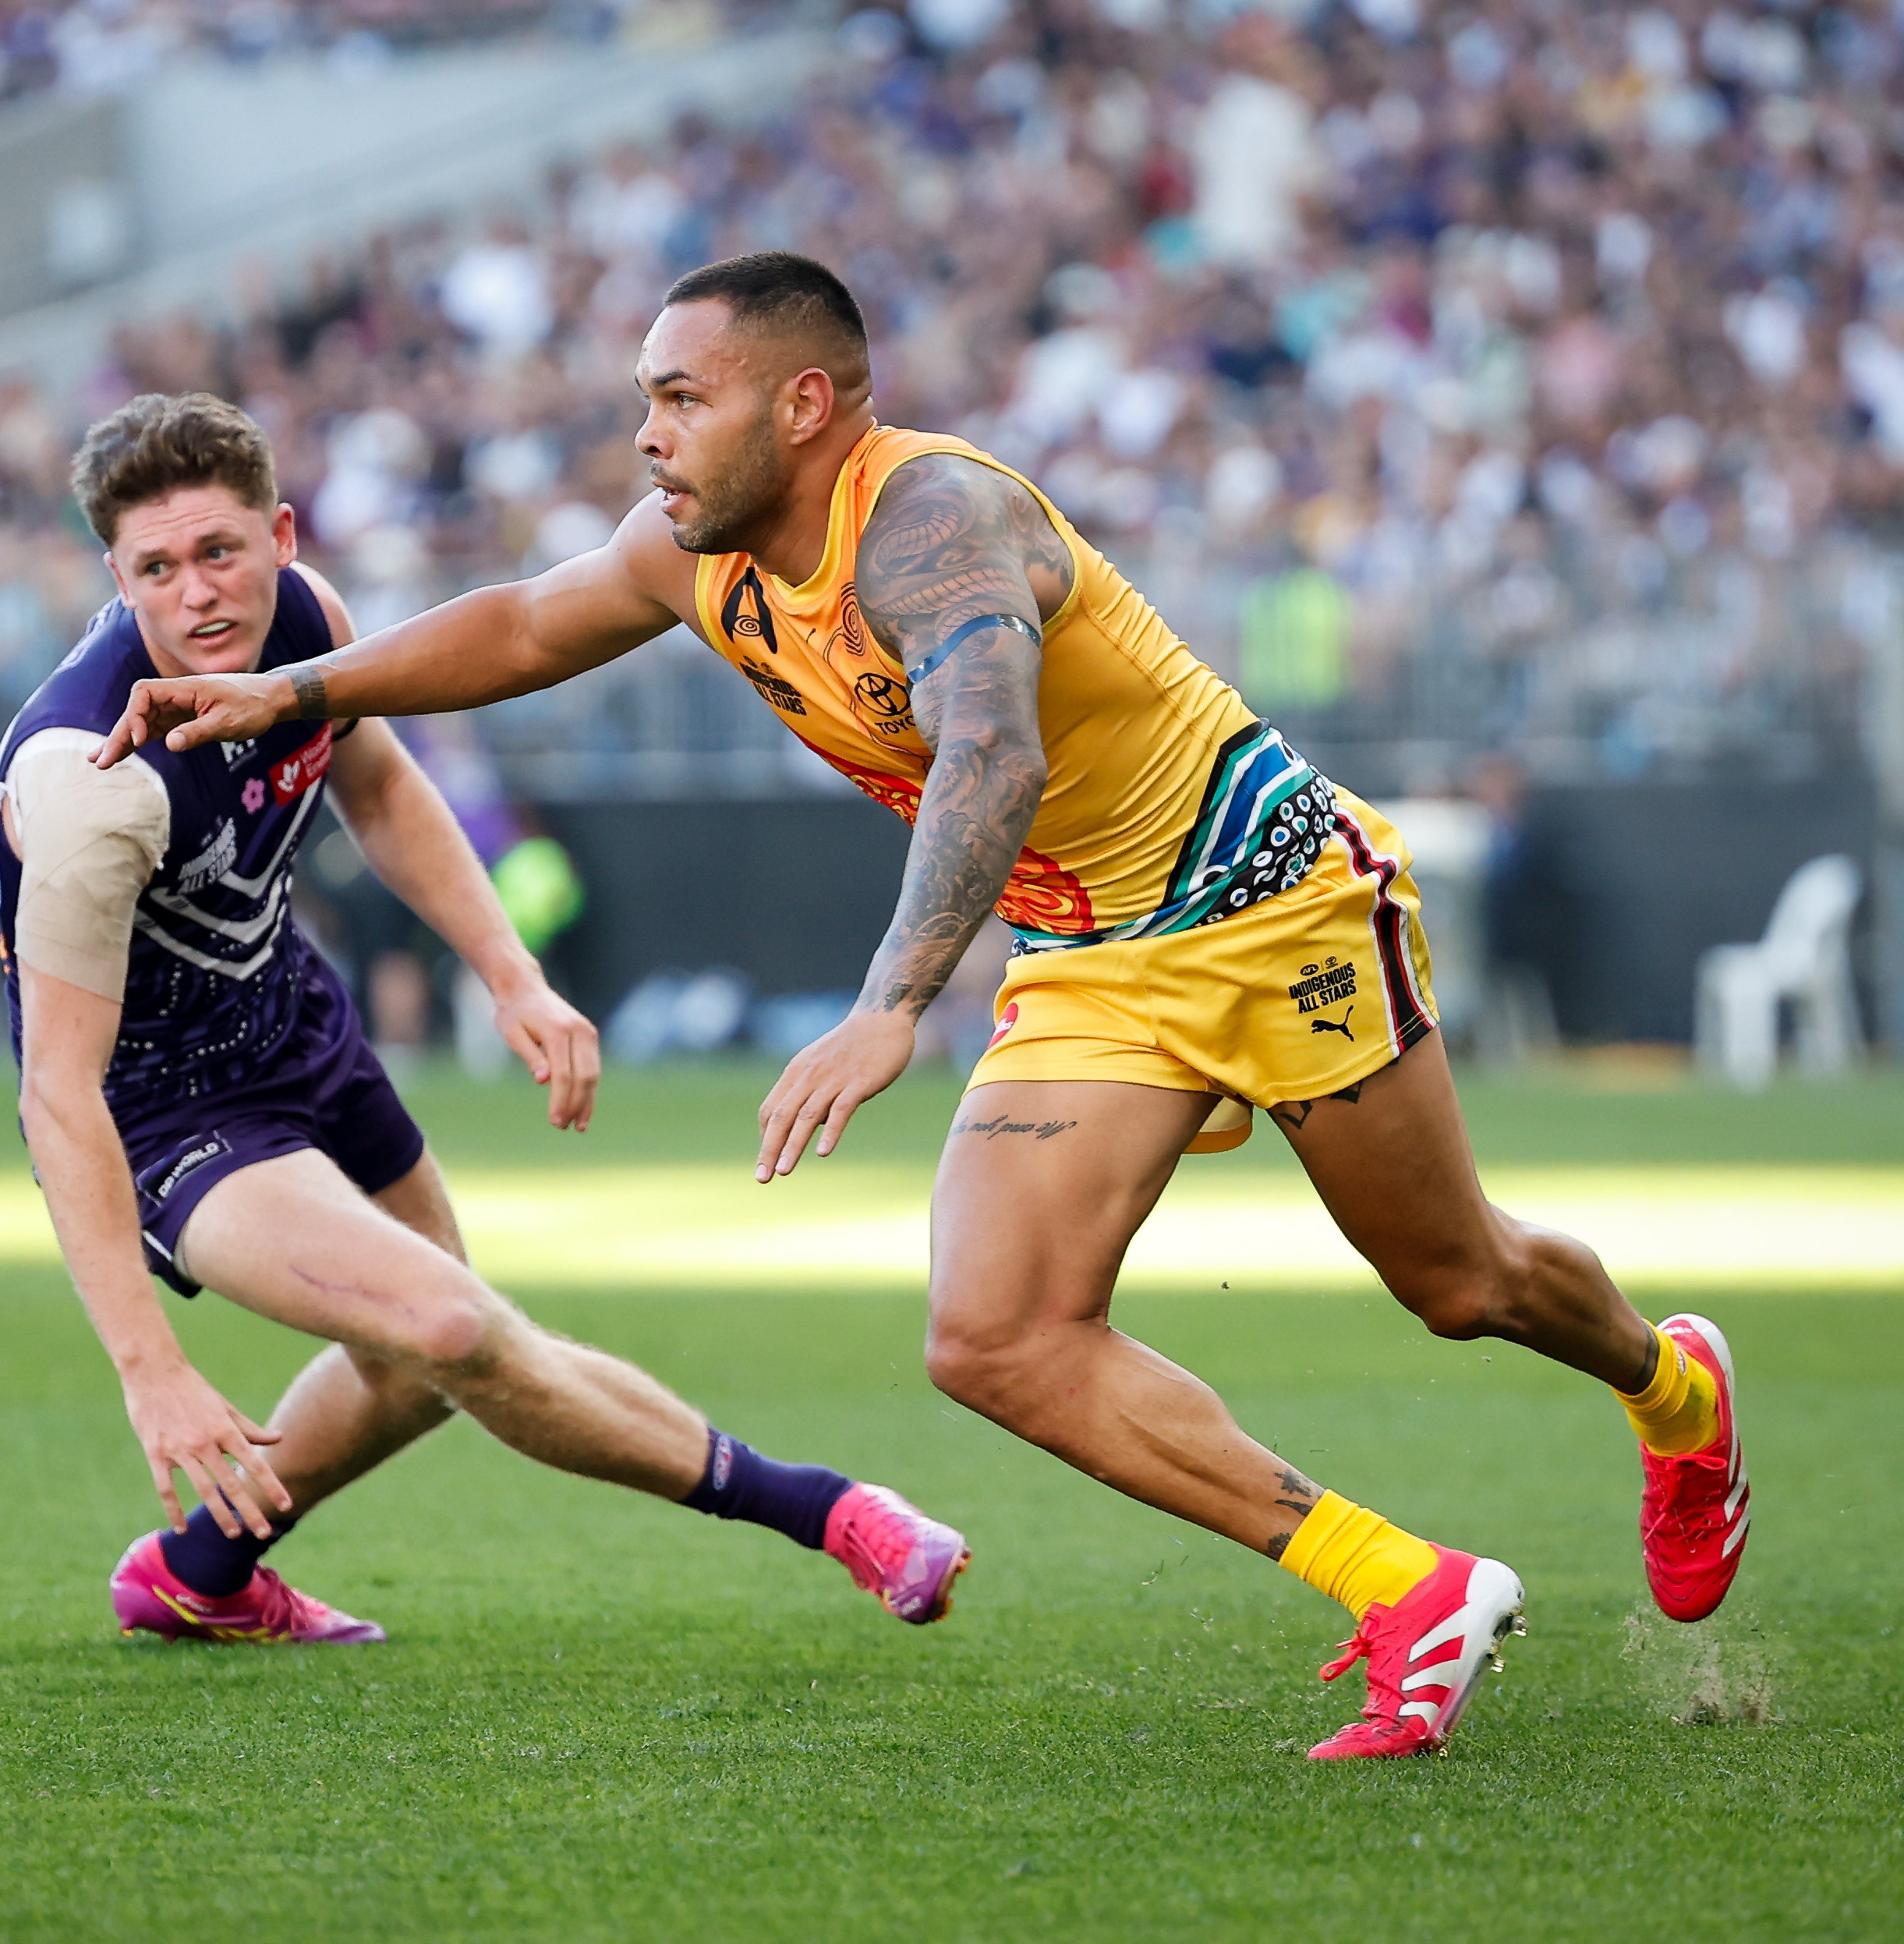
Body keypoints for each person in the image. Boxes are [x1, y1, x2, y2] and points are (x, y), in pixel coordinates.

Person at [99, 253, 1747, 1758]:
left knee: (1455, 1280)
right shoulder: (694, 551)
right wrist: (296, 689)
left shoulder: (933, 517)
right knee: (992, 1337)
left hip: (1267, 898)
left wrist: (893, 1000)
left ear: (802, 403)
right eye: (643, 403)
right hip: (1089, 950)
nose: (649, 437)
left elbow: (994, 750)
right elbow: (528, 624)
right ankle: (1406, 1586)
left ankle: (1670, 1387)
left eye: (683, 398)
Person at [0, 391, 968, 1645]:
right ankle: (835, 1514)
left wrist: (510, 970)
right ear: (116, 578)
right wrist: (153, 1371)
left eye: (222, 552)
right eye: (158, 570)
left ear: (282, 535)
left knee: (413, 1368)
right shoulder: (87, 783)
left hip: (301, 1026)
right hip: (165, 1112)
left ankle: (198, 1572)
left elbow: (383, 787)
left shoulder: (305, 619)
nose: (199, 595)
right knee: (455, 1325)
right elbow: (54, 1092)